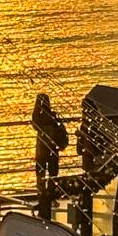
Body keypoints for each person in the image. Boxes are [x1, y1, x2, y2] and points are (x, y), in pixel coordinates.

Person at [31, 93, 68, 221]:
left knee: (41, 174)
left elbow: (34, 123)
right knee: (53, 174)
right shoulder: (53, 116)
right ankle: (51, 198)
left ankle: (42, 198)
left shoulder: (38, 117)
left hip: (42, 149)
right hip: (53, 148)